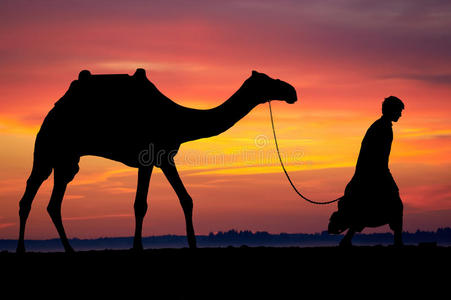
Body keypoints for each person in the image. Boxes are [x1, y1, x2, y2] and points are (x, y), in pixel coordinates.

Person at [328, 96, 405, 247]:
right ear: (392, 110)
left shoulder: (380, 126)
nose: (400, 115)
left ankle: (347, 239)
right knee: (395, 205)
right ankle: (398, 241)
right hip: (374, 174)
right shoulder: (383, 128)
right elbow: (378, 156)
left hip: (369, 174)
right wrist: (384, 176)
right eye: (399, 111)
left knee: (364, 210)